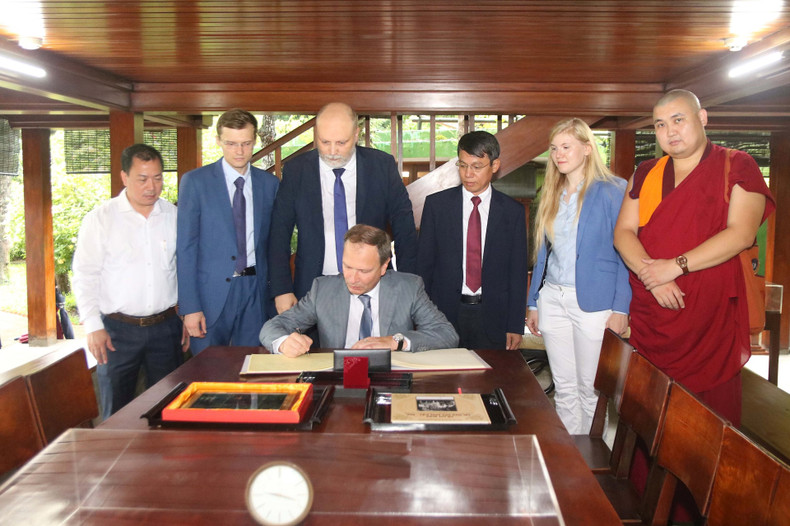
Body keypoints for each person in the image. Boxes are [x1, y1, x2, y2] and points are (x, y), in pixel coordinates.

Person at [614, 89, 775, 425]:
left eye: (678, 119)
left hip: (709, 316)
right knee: (648, 412)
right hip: (653, 310)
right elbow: (623, 233)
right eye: (660, 124)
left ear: (702, 119)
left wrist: (674, 267)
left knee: (705, 422)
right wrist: (653, 278)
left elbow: (741, 233)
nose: (670, 131)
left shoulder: (736, 165)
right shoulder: (646, 172)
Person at [525, 118, 630, 434]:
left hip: (595, 302)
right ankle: (573, 458)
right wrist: (533, 302)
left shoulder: (614, 190)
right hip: (553, 298)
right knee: (564, 385)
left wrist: (621, 308)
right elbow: (543, 254)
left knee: (591, 387)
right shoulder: (551, 191)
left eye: (566, 147)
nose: (558, 154)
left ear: (587, 148)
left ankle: (593, 457)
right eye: (554, 148)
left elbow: (626, 252)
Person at [267, 102, 418, 316]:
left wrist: (408, 282)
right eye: (324, 141)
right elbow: (279, 233)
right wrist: (281, 289)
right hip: (313, 286)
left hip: (373, 285)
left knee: (369, 347)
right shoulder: (297, 170)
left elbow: (405, 228)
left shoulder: (381, 166)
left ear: (356, 134)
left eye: (341, 142)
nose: (332, 151)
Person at [72, 144, 186, 419]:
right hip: (116, 332)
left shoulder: (174, 216)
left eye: (158, 177)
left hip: (165, 328)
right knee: (116, 413)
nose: (152, 186)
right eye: (142, 178)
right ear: (124, 177)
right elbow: (85, 274)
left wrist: (184, 313)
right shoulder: (100, 219)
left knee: (169, 409)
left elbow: (183, 269)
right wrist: (93, 326)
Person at [260, 224, 458, 356]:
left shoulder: (409, 287)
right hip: (338, 380)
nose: (352, 278)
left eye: (363, 271)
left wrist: (396, 342)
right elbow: (272, 328)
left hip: (392, 380)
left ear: (384, 266)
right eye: (347, 267)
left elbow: (447, 334)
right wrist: (283, 342)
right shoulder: (323, 289)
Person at [177, 109, 280, 354]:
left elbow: (275, 244)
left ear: (255, 140)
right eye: (231, 143)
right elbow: (186, 248)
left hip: (255, 290)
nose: (239, 151)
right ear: (218, 141)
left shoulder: (270, 184)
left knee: (253, 366)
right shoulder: (195, 182)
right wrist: (190, 307)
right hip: (210, 293)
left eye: (245, 143)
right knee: (208, 371)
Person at [417, 131, 527, 350]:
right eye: (462, 165)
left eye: (477, 166)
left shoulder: (512, 212)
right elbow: (424, 266)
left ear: (494, 166)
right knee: (444, 381)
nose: (468, 174)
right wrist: (421, 318)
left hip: (493, 317)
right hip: (443, 314)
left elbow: (517, 272)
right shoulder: (437, 206)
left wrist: (515, 325)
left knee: (488, 381)